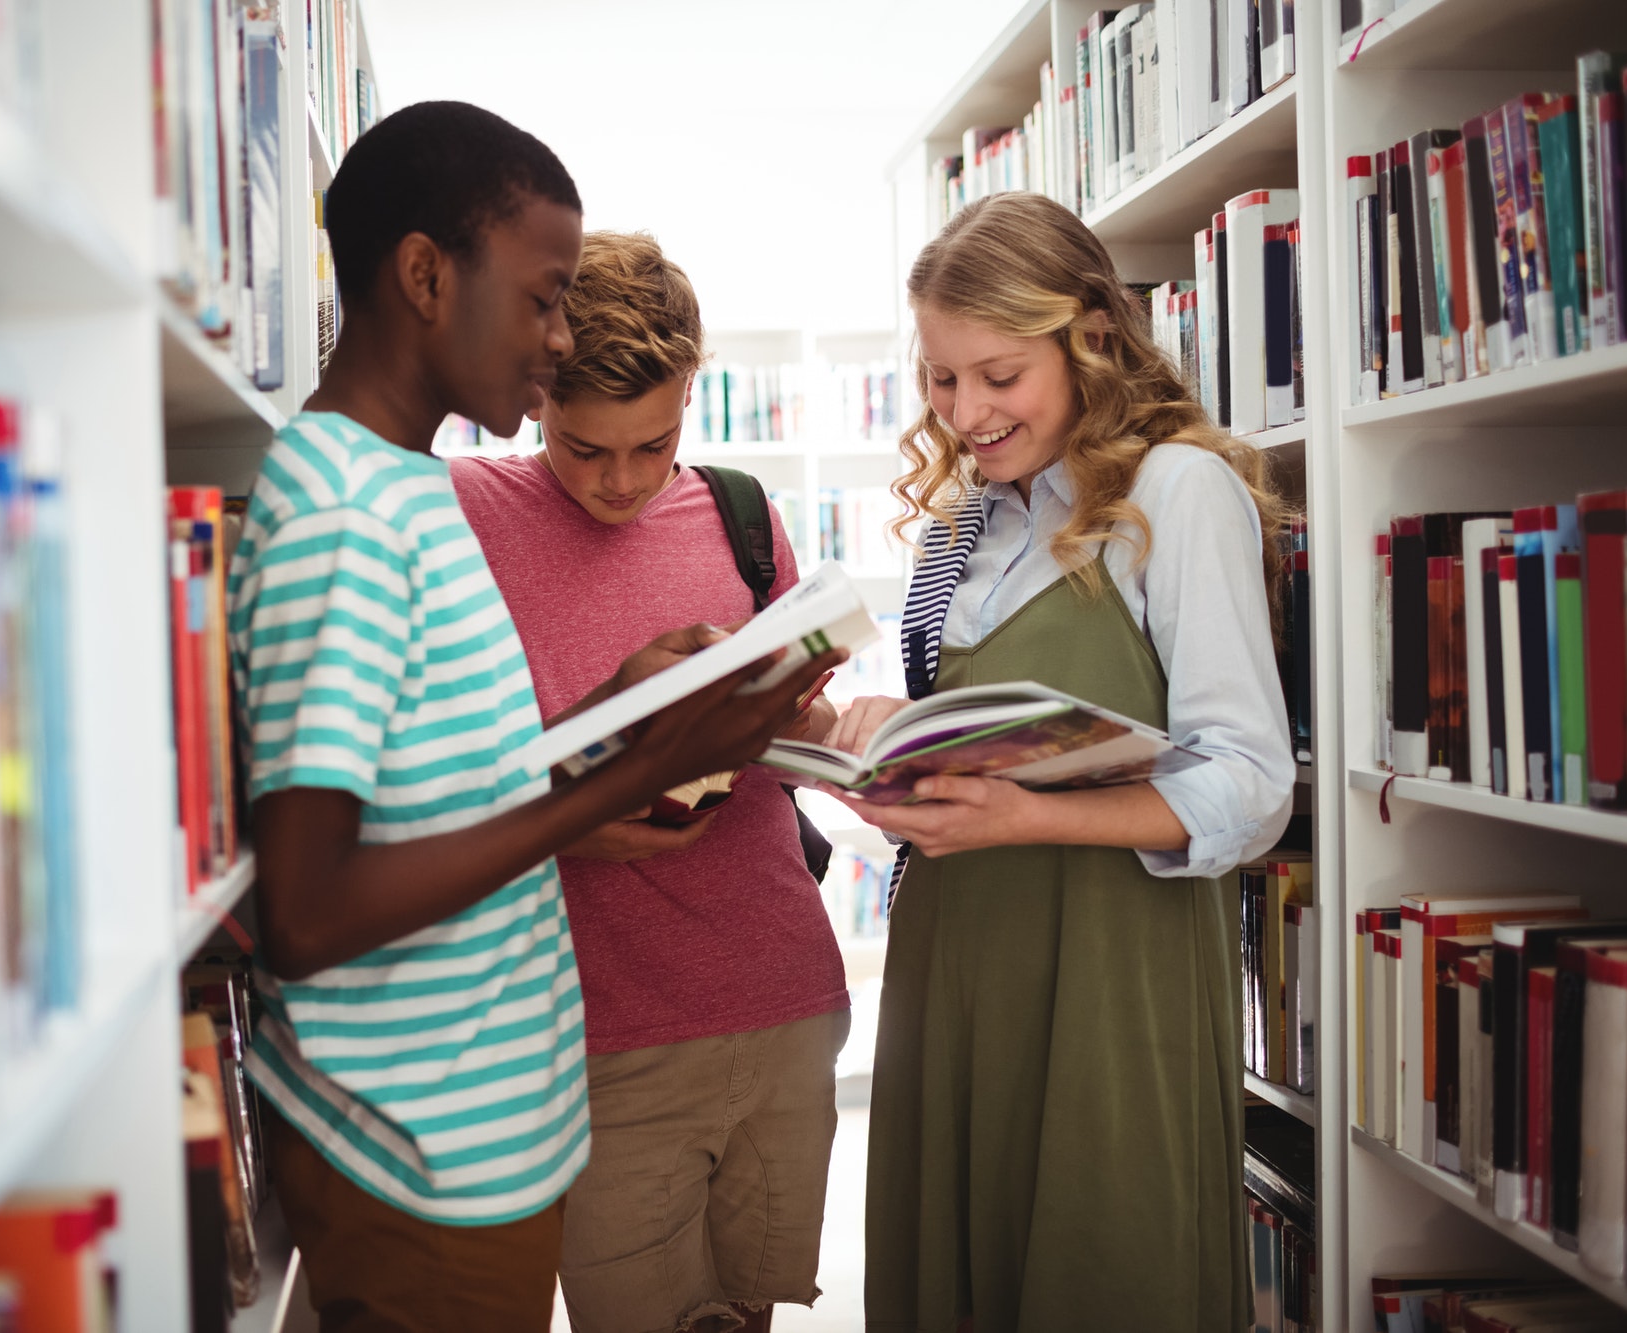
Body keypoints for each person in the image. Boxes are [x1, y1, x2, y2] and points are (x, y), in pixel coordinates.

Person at [225, 103, 841, 1333]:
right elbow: (308, 902)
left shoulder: (399, 497)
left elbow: (445, 771)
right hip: (441, 1144)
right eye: (543, 302)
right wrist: (623, 771)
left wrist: (649, 716)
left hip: (561, 1097)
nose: (553, 339)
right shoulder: (378, 509)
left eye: (651, 447)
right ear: (423, 276)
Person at [827, 191, 1295, 1333]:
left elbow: (1251, 785)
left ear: (1089, 334)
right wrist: (890, 734)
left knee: (1098, 1256)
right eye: (940, 378)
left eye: (997, 374)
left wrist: (1019, 818)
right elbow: (973, 732)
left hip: (1105, 971)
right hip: (957, 959)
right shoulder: (957, 523)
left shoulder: (1175, 492)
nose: (964, 411)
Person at [450, 232, 850, 1333]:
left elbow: (788, 723)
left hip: (779, 998)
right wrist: (563, 811)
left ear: (691, 394)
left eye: (653, 442)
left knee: (745, 1318)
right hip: (595, 1033)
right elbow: (426, 772)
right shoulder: (458, 511)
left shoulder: (736, 511)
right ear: (534, 397)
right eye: (584, 449)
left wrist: (818, 714)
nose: (621, 481)